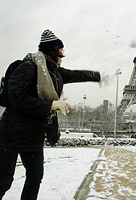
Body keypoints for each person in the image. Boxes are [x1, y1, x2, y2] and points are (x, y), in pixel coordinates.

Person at [0, 29, 103, 200]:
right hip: (11, 134)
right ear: (52, 50)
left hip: (33, 136)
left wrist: (99, 76)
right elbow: (16, 98)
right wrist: (51, 105)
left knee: (35, 178)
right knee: (4, 181)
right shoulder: (28, 67)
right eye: (61, 50)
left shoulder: (55, 72)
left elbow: (76, 74)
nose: (63, 54)